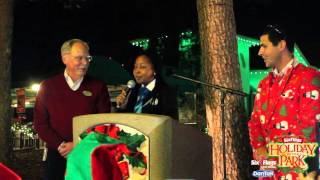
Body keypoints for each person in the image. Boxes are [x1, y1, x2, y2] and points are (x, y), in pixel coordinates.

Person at [248, 24, 320, 179]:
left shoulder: (309, 77)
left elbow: (308, 128)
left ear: (281, 45)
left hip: (298, 171)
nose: (260, 52)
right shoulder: (263, 84)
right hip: (267, 170)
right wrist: (260, 148)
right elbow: (254, 123)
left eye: (264, 46)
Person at [33, 39, 111, 180]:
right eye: (79, 58)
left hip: (88, 154)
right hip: (56, 154)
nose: (85, 62)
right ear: (65, 58)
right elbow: (40, 123)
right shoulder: (48, 86)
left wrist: (78, 144)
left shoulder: (98, 86)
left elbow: (104, 122)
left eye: (87, 58)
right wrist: (61, 145)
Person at [116, 52, 178, 119]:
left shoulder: (165, 91)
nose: (137, 71)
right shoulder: (133, 90)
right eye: (135, 66)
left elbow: (170, 121)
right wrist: (122, 107)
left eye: (142, 67)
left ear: (154, 70)